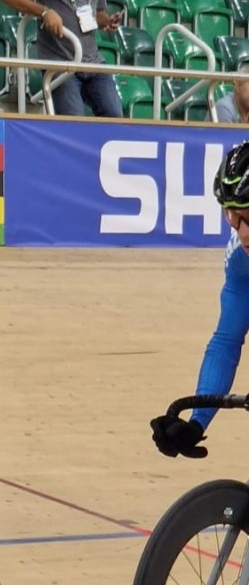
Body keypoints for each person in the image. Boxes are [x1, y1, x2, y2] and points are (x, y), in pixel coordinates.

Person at [151, 142, 249, 459]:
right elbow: (226, 342)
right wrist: (196, 422)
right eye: (232, 217)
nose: (242, 232)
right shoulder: (241, 258)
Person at [1, 0, 123, 117]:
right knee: (73, 121)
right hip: (60, 62)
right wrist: (44, 11)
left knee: (114, 115)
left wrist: (107, 20)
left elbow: (97, 13)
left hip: (93, 62)